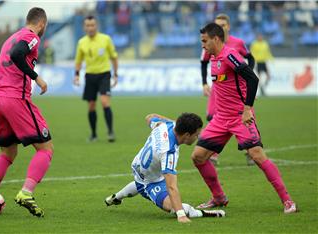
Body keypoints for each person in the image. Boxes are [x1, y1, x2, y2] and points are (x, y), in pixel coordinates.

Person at [191, 23, 297, 214]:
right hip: (220, 118)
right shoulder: (213, 58)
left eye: (205, 41)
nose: (202, 45)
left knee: (257, 155)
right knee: (198, 156)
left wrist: (247, 108)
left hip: (240, 117)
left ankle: (287, 200)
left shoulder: (230, 55)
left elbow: (253, 79)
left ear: (216, 38)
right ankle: (219, 198)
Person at [0, 7, 53, 218]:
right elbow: (18, 53)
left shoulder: (10, 38)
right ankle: (26, 192)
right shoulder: (31, 37)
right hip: (14, 100)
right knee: (45, 148)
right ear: (41, 24)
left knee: (8, 153)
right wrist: (36, 77)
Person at [105, 113, 225, 223]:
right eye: (196, 134)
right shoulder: (168, 152)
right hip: (149, 181)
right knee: (174, 207)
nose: (198, 137)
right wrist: (181, 214)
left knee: (140, 180)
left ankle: (116, 197)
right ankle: (201, 213)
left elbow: (149, 117)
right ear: (187, 135)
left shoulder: (166, 125)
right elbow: (171, 186)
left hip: (139, 164)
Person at [200, 13, 256, 166]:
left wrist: (246, 78)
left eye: (223, 25)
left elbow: (251, 58)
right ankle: (213, 154)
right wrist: (204, 83)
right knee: (213, 117)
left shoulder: (237, 43)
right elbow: (203, 63)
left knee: (244, 116)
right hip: (218, 87)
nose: (221, 27)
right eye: (218, 25)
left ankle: (251, 151)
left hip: (236, 89)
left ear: (228, 26)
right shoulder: (210, 43)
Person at [73, 15, 118, 143]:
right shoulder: (82, 42)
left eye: (92, 25)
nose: (90, 28)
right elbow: (78, 60)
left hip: (104, 74)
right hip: (90, 76)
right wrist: (76, 74)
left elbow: (114, 57)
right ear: (84, 27)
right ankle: (93, 134)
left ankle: (110, 132)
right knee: (91, 106)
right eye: (87, 25)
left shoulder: (105, 39)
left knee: (104, 102)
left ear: (96, 26)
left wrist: (115, 74)